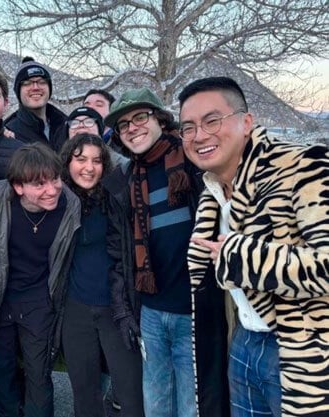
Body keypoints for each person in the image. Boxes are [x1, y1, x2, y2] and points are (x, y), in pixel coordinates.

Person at [179, 76, 329, 417]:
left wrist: (241, 256)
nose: (199, 135)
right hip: (244, 342)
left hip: (302, 351)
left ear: (246, 122)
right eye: (188, 127)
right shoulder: (213, 191)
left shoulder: (303, 166)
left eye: (211, 120)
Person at [103, 87, 228, 417]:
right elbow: (120, 256)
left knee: (194, 406)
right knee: (156, 405)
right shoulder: (125, 180)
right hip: (151, 313)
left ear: (159, 118)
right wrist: (126, 312)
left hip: (195, 308)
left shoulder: (195, 163)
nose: (133, 127)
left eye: (140, 117)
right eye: (124, 124)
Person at [0, 143, 80, 417]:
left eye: (56, 179)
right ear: (18, 187)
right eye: (39, 184)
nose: (52, 190)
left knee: (39, 376)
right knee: (2, 373)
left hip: (38, 301)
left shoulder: (70, 206)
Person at [59, 134, 144, 417]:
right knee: (84, 395)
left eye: (96, 160)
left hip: (115, 309)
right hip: (76, 309)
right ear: (68, 161)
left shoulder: (116, 198)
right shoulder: (57, 200)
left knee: (131, 393)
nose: (88, 167)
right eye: (80, 159)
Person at [4, 57, 67, 149]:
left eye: (42, 82)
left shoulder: (66, 126)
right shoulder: (9, 133)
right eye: (27, 83)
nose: (35, 87)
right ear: (18, 91)